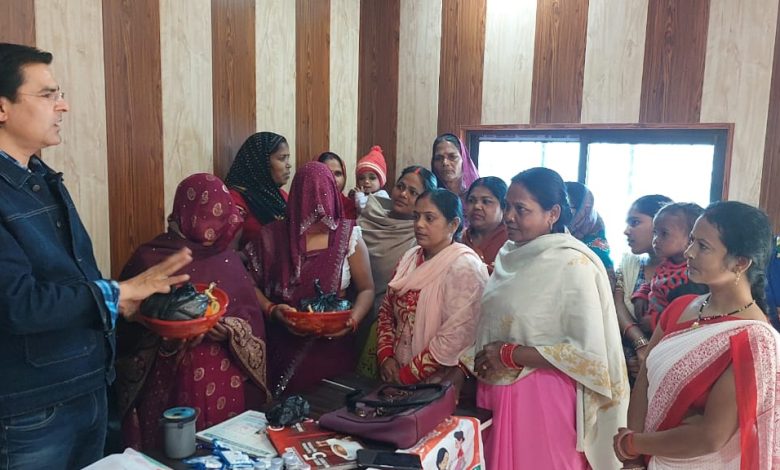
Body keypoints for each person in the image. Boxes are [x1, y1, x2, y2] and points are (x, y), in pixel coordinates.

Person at [0, 43, 192, 469]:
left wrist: (128, 304)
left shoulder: (41, 178)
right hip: (31, 408)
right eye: (47, 95)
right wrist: (116, 293)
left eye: (60, 94)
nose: (63, 105)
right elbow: (18, 304)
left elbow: (71, 280)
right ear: (2, 108)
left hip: (86, 385)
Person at [468, 167, 628, 469]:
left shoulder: (573, 264)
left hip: (542, 393)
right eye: (507, 206)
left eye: (521, 209)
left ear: (552, 213)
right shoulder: (508, 254)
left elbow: (586, 351)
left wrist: (510, 354)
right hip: (495, 388)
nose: (509, 217)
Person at [616, 201, 780, 468]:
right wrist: (632, 461)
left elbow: (711, 436)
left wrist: (632, 444)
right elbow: (644, 380)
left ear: (740, 263)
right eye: (691, 240)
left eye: (702, 246)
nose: (689, 252)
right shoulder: (680, 307)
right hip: (647, 458)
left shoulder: (755, 338)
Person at [115, 174, 270, 451]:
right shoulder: (151, 258)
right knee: (171, 453)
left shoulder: (227, 259)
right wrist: (165, 327)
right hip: (167, 379)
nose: (213, 229)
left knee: (224, 453)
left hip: (225, 379)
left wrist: (230, 329)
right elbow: (125, 325)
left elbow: (251, 322)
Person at [245, 162, 374, 395]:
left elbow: (366, 289)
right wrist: (272, 309)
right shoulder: (272, 237)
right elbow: (248, 285)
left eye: (323, 205)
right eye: (310, 208)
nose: (319, 213)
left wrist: (351, 321)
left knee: (328, 409)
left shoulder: (348, 236)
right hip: (283, 348)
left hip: (333, 351)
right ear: (297, 200)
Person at [377, 189, 488, 385]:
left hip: (437, 382)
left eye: (429, 218)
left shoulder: (465, 267)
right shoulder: (409, 258)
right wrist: (386, 356)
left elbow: (456, 336)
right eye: (416, 217)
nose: (419, 224)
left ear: (453, 224)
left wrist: (407, 375)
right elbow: (387, 310)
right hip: (394, 372)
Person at [354, 165, 438, 378]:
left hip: (388, 324)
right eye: (400, 186)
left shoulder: (421, 237)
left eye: (413, 192)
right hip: (352, 310)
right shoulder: (369, 215)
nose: (403, 194)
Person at [614, 195, 673, 381]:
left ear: (660, 224)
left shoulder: (685, 272)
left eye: (635, 222)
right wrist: (640, 345)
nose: (626, 231)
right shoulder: (629, 263)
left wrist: (651, 356)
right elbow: (617, 305)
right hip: (626, 364)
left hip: (667, 364)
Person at [644, 202, 708, 330]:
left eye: (664, 234)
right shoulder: (667, 262)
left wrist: (653, 322)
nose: (655, 240)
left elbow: (684, 317)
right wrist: (641, 294)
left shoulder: (691, 276)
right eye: (655, 232)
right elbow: (654, 283)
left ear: (690, 239)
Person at [225, 132, 291, 247]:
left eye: (288, 158)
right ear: (261, 162)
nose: (288, 165)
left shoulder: (282, 196)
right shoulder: (235, 199)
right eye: (282, 158)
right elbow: (229, 251)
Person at [565, 181, 616, 287]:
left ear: (585, 210)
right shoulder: (554, 234)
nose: (560, 214)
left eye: (568, 208)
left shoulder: (597, 251)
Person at [462, 177, 508, 274]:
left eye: (486, 201)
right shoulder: (460, 238)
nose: (477, 206)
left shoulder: (511, 242)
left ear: (504, 207)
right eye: (471, 200)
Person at [431, 133, 479, 203]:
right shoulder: (430, 197)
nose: (445, 163)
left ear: (463, 159)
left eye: (452, 157)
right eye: (439, 158)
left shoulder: (477, 195)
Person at [352, 145, 390, 215]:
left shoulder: (382, 195)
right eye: (362, 178)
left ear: (381, 181)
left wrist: (360, 196)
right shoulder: (361, 195)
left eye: (372, 178)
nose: (366, 181)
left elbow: (365, 209)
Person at [318, 151, 357, 219]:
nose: (334, 179)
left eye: (338, 174)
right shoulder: (308, 206)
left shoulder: (351, 207)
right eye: (328, 173)